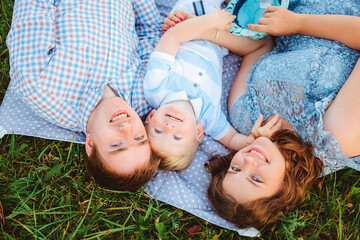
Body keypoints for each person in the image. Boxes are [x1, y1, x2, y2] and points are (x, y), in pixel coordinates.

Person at [164, 0, 360, 229]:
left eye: (235, 169)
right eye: (256, 179)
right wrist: (297, 24)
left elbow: (260, 47)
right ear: (284, 188)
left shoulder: (244, 119)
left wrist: (199, 30)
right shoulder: (337, 136)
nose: (248, 161)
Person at [6, 0, 162, 191]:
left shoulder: (40, 86)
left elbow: (34, 6)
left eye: (116, 144)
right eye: (139, 138)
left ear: (90, 144)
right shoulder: (145, 94)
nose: (127, 128)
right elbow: (151, 30)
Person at [143, 0, 281, 171]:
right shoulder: (209, 119)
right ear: (198, 133)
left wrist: (209, 21)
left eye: (158, 131)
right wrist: (249, 140)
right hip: (220, 41)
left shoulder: (156, 88)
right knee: (253, 18)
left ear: (150, 117)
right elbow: (231, 140)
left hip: (189, 19)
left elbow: (172, 37)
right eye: (177, 137)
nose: (169, 128)